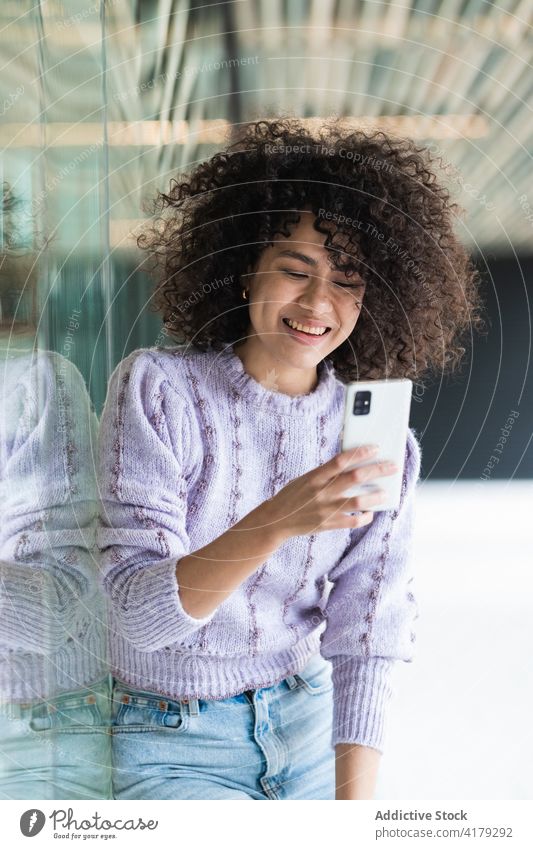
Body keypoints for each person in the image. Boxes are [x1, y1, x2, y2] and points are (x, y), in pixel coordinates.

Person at [97, 118, 482, 800]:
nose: (315, 304)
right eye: (295, 270)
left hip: (302, 725)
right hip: (170, 737)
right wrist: (276, 520)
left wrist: (352, 809)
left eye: (348, 282)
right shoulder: (160, 389)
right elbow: (139, 615)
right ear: (246, 265)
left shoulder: (376, 442)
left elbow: (370, 624)